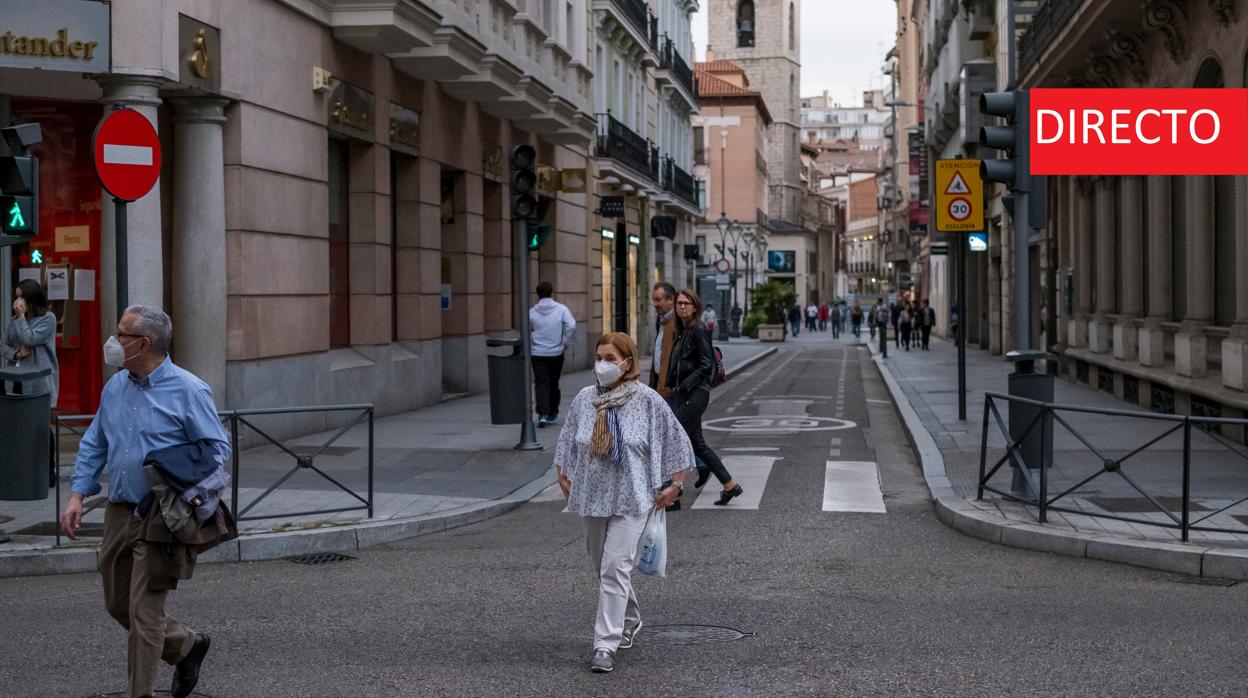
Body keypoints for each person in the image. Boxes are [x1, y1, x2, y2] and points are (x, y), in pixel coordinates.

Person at [61, 306, 228, 698]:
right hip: (120, 512)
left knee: (144, 613)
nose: (112, 341)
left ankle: (141, 693)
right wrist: (77, 494)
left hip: (161, 517)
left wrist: (181, 488)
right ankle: (187, 645)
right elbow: (94, 443)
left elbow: (218, 452)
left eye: (120, 334)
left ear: (143, 343)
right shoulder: (115, 387)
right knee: (118, 604)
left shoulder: (189, 389)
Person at [554, 332, 694, 674]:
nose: (601, 365)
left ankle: (605, 643)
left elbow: (677, 440)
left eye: (609, 358)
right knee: (602, 567)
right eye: (598, 357)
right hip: (590, 496)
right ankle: (630, 618)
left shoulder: (647, 401)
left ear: (627, 362)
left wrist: (676, 484)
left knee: (615, 568)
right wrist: (563, 474)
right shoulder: (585, 399)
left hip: (634, 498)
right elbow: (568, 442)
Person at [667, 289, 742, 505]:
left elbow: (706, 364)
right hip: (686, 393)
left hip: (696, 393)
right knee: (697, 444)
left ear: (695, 306)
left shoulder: (698, 329)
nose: (682, 307)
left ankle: (674, 495)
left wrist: (686, 384)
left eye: (686, 303)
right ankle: (730, 486)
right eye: (679, 303)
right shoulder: (683, 329)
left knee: (674, 440)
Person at [3, 278, 59, 409]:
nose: (17, 302)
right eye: (16, 297)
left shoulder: (48, 319)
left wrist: (21, 317)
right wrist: (16, 354)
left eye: (21, 298)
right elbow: (3, 345)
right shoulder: (14, 320)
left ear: (31, 299)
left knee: (36, 423)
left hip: (38, 381)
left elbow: (29, 339)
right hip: (14, 378)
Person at [530, 281, 576, 427]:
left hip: (537, 352)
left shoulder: (531, 312)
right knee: (554, 382)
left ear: (538, 294)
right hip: (556, 352)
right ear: (551, 292)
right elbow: (571, 325)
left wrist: (532, 341)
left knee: (540, 382)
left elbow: (527, 329)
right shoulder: (561, 309)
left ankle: (542, 413)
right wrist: (564, 342)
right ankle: (552, 412)